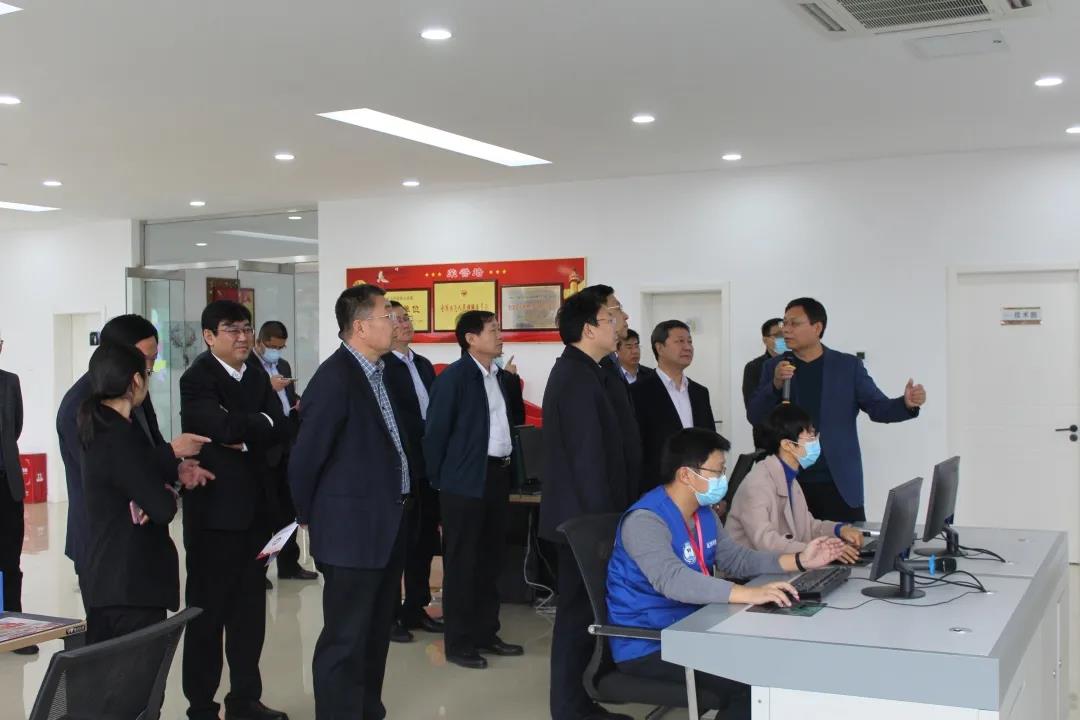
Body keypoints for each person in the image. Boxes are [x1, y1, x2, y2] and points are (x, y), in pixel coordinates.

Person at [606, 428, 848, 716]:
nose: (723, 479)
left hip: (696, 626)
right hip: (651, 643)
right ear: (686, 475)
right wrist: (750, 594)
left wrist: (799, 560)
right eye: (718, 471)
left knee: (778, 657)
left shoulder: (703, 513)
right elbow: (673, 581)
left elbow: (736, 559)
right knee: (750, 683)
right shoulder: (645, 520)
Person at [289, 285, 411, 720]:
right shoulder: (335, 378)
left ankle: (366, 710)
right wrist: (309, 517)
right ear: (360, 327)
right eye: (386, 316)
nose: (395, 324)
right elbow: (305, 459)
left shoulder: (381, 373)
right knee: (345, 638)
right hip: (350, 530)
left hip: (385, 523)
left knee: (375, 633)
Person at [180, 300, 290, 720]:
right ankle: (201, 706)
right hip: (215, 518)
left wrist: (247, 431)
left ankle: (245, 699)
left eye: (246, 328)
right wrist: (257, 425)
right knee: (207, 617)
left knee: (249, 615)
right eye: (232, 329)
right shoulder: (198, 378)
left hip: (257, 515)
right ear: (209, 336)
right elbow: (220, 428)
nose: (243, 337)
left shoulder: (256, 373)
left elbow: (280, 427)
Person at [57, 314, 210, 610]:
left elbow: (147, 447)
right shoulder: (81, 405)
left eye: (152, 360)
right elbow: (108, 468)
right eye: (145, 360)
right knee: (115, 632)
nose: (148, 369)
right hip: (108, 541)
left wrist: (175, 468)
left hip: (141, 541)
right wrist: (169, 455)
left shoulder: (134, 392)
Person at [540, 291, 638, 720]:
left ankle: (580, 700)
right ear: (588, 329)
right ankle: (569, 707)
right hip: (583, 525)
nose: (618, 325)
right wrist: (603, 529)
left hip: (591, 520)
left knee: (585, 616)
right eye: (609, 318)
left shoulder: (591, 371)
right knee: (576, 617)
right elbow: (587, 462)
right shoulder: (575, 378)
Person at [747, 298, 927, 522]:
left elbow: (878, 408)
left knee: (846, 541)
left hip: (837, 482)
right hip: (789, 479)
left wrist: (906, 404)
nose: (786, 330)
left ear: (817, 327)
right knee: (792, 543)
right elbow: (755, 416)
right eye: (785, 323)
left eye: (794, 323)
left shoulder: (847, 366)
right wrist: (774, 384)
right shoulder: (773, 367)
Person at [423, 310, 525, 670]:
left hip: (497, 476)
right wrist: (441, 481)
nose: (500, 335)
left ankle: (486, 633)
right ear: (471, 339)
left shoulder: (501, 378)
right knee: (463, 563)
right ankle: (459, 642)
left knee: (491, 560)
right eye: (493, 330)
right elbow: (435, 434)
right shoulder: (454, 379)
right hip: (462, 482)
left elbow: (512, 424)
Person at [727, 404, 862, 562]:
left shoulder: (790, 478)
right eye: (810, 437)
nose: (816, 442)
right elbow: (766, 542)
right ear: (788, 445)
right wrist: (822, 550)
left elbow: (808, 527)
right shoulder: (757, 484)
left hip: (777, 566)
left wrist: (839, 530)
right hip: (750, 572)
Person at [382, 301, 443, 643]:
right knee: (398, 543)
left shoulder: (422, 364)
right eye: (397, 320)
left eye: (407, 318)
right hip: (401, 466)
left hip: (427, 465)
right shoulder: (383, 367)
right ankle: (390, 615)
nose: (405, 324)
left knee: (423, 541)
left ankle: (416, 607)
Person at [251, 320, 316, 583]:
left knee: (289, 512)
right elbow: (248, 403)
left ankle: (289, 564)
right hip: (264, 450)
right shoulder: (249, 367)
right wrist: (268, 387)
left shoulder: (283, 366)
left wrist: (297, 403)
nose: (275, 352)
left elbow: (287, 396)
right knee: (266, 514)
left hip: (287, 446)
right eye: (272, 347)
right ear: (259, 342)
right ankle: (259, 571)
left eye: (280, 347)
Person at [632, 320, 716, 495]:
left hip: (697, 489)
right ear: (659, 348)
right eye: (680, 341)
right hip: (657, 489)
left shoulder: (700, 392)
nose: (688, 347)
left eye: (690, 342)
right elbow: (635, 448)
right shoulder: (638, 392)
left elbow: (710, 443)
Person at [0, 333, 35, 655]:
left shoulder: (10, 382)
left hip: (6, 484)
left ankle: (14, 631)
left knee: (10, 561)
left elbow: (16, 427)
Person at [741, 318, 783, 450]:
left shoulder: (795, 361)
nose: (783, 339)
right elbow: (753, 408)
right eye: (778, 335)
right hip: (767, 438)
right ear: (765, 340)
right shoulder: (754, 367)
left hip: (796, 438)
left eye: (785, 334)